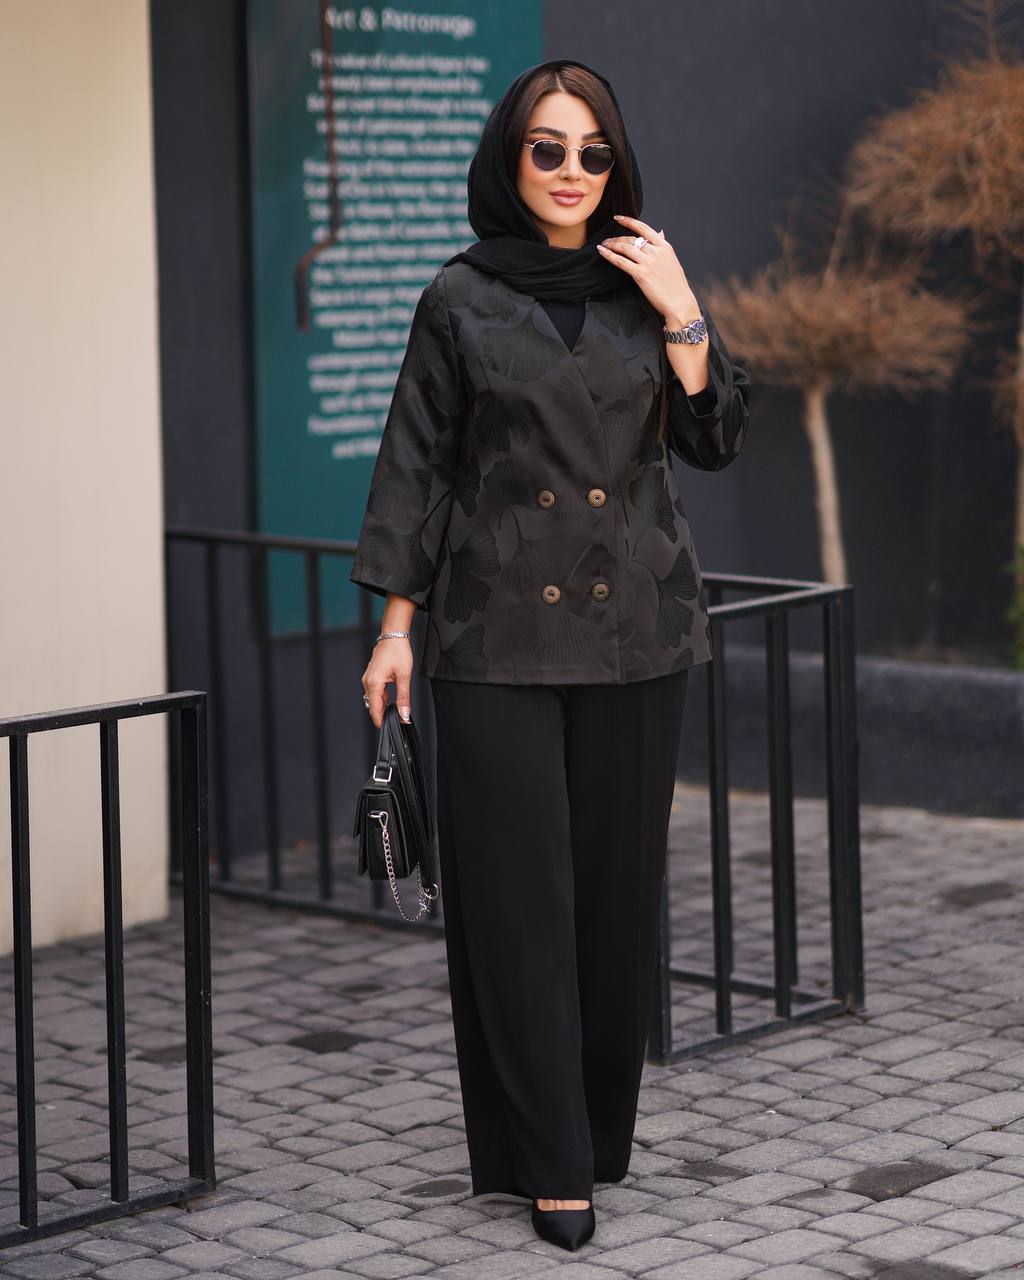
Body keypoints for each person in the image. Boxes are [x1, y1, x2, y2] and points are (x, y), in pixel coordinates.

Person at [349, 57, 752, 1251]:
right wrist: (394, 630)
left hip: (639, 633)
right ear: (509, 158)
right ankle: (549, 1160)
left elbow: (716, 437)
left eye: (592, 152)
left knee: (614, 900)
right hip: (494, 633)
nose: (571, 171)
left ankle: (596, 1129)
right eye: (547, 148)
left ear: (614, 164)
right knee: (517, 900)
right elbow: (416, 472)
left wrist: (684, 310)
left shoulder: (643, 283)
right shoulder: (460, 296)